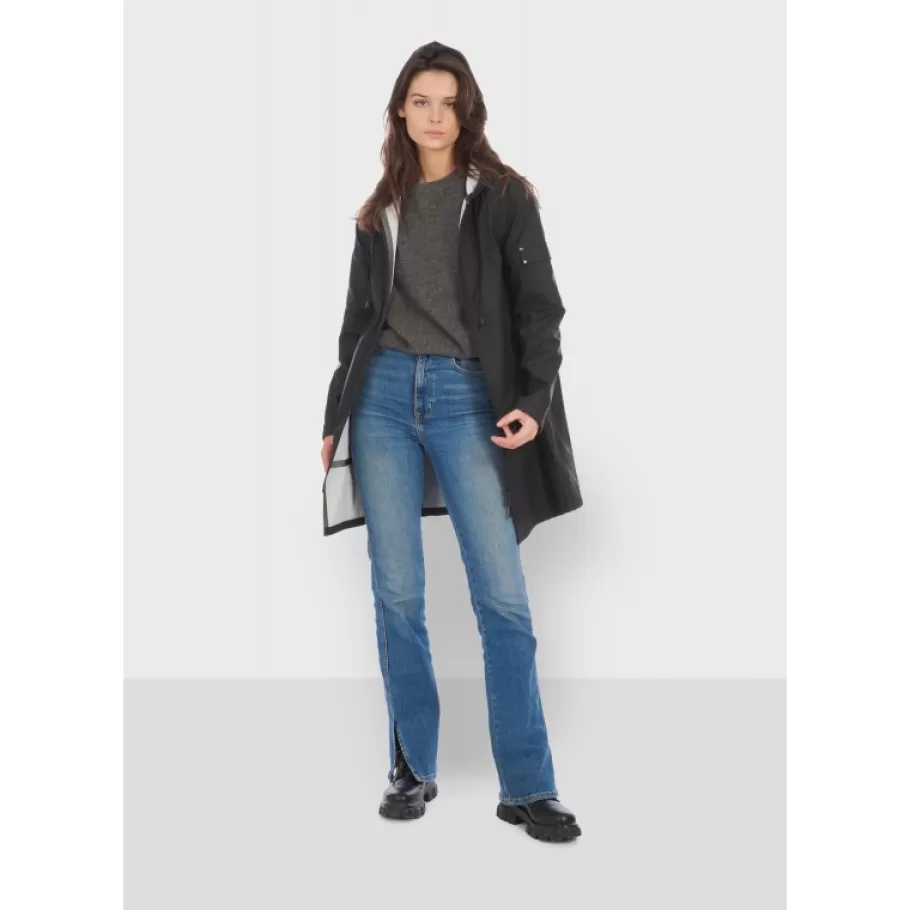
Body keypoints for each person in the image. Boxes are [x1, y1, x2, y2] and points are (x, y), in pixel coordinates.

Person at [320, 41, 583, 843]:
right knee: (397, 592)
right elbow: (357, 325)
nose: (436, 116)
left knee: (501, 595)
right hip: (382, 400)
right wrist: (335, 417)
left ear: (467, 112)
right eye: (421, 101)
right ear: (401, 112)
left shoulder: (502, 197)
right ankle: (412, 765)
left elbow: (540, 309)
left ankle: (527, 786)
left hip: (469, 397)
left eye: (449, 102)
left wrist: (532, 401)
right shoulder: (380, 211)